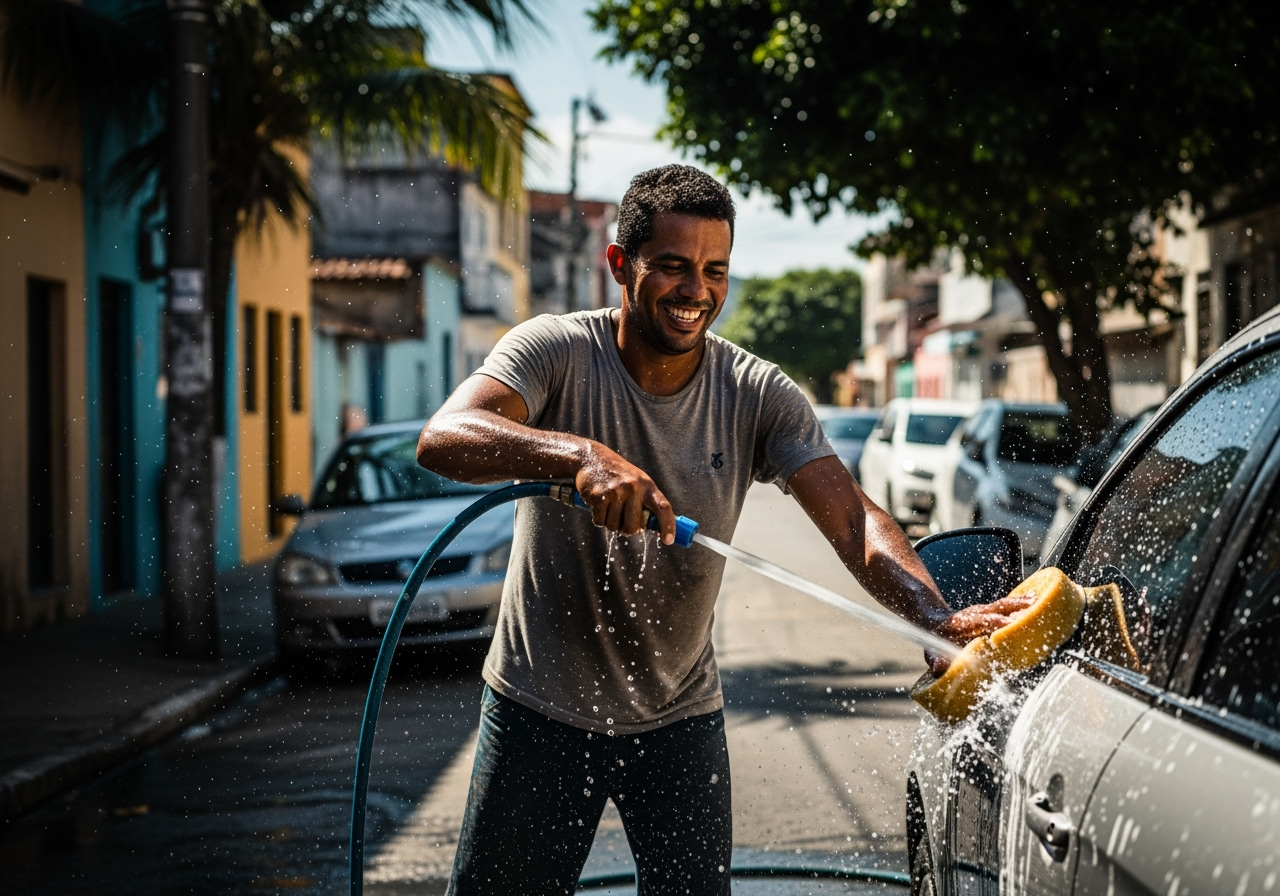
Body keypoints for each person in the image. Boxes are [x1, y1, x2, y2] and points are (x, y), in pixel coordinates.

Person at [417, 164, 1022, 895]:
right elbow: (445, 435)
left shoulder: (757, 393)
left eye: (714, 270)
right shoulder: (555, 350)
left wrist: (934, 616)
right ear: (620, 264)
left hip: (678, 718)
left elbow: (856, 518)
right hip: (540, 710)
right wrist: (580, 454)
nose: (695, 291)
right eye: (671, 266)